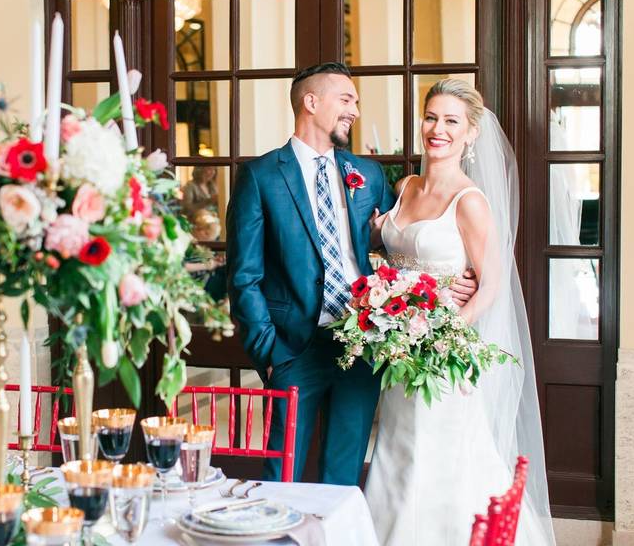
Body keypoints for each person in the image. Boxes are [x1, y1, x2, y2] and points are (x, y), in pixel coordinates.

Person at [226, 62, 477, 484]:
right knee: (279, 476)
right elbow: (243, 275)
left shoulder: (368, 174)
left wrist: (452, 278)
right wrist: (269, 352)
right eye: (346, 100)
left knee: (342, 476)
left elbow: (402, 240)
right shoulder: (260, 176)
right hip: (293, 349)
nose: (355, 111)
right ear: (311, 102)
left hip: (360, 343)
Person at [364, 78, 555, 544]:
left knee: (440, 461)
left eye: (451, 121)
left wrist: (444, 334)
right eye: (431, 117)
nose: (438, 129)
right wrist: (376, 240)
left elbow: (490, 286)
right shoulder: (406, 186)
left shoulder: (469, 202)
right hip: (398, 352)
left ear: (470, 133)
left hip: (440, 358)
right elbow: (395, 256)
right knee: (396, 454)